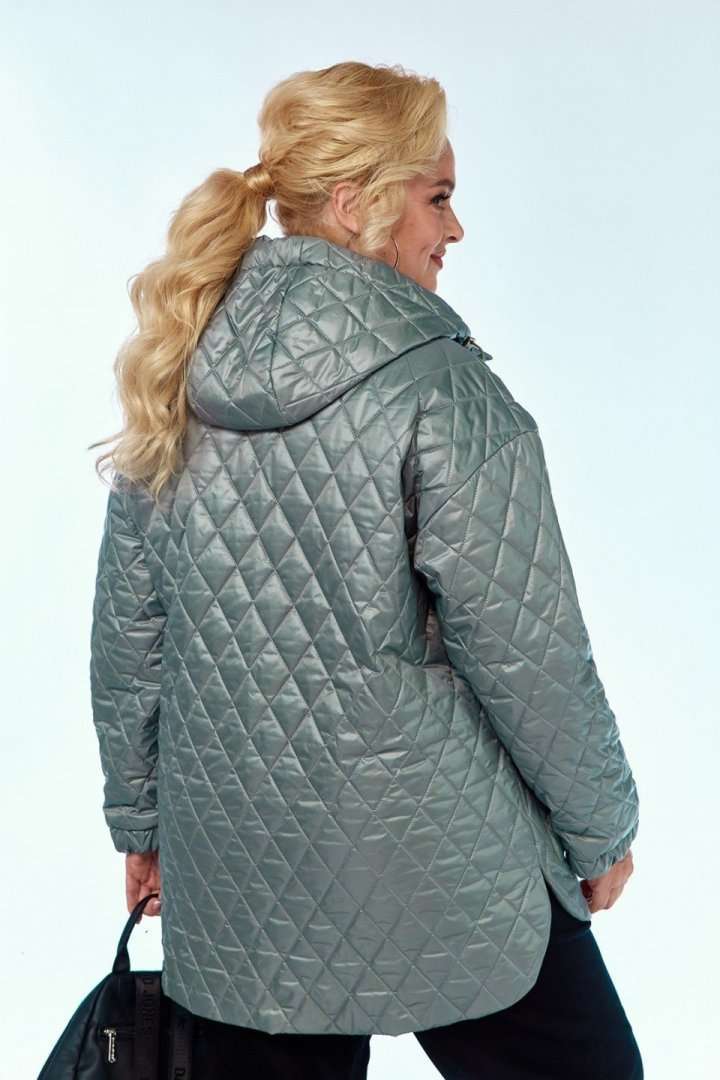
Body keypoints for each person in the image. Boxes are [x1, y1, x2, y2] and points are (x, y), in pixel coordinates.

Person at [88, 60, 643, 1078]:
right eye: (439, 196)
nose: (455, 228)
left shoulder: (180, 367)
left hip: (239, 873)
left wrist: (144, 823)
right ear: (356, 204)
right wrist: (601, 829)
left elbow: (132, 633)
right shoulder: (444, 393)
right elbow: (528, 652)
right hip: (440, 863)